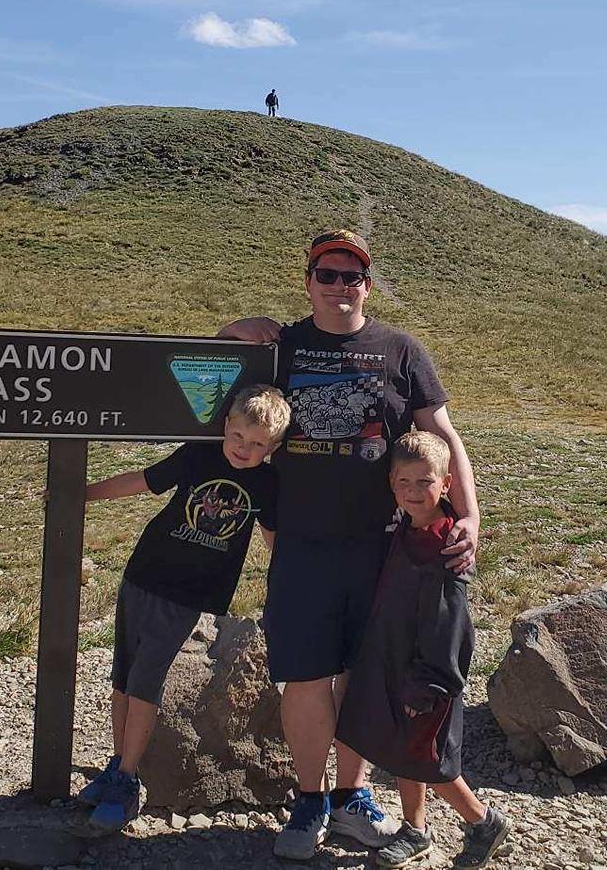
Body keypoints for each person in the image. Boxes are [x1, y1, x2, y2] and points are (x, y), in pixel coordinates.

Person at [219, 230, 483, 860]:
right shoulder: (281, 346)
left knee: (364, 677)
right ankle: (310, 804)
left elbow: (444, 436)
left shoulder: (401, 351)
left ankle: (351, 798)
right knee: (306, 679)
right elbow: (201, 373)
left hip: (383, 548)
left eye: (351, 276)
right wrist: (233, 328)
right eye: (326, 274)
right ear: (308, 281)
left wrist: (471, 517)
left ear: (367, 283)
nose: (340, 286)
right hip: (302, 546)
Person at [73, 384, 290, 836]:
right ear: (226, 426)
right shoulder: (198, 454)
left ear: (272, 448)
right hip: (144, 576)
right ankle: (117, 766)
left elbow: (274, 540)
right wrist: (81, 494)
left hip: (193, 598)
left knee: (149, 684)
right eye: (238, 437)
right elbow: (141, 481)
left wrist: (294, 585)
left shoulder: (267, 483)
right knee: (124, 680)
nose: (245, 450)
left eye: (257, 445)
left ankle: (129, 779)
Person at [337, 431, 511, 868]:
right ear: (392, 483)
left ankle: (482, 821)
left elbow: (449, 626)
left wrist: (429, 683)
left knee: (428, 760)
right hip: (395, 662)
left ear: (446, 483)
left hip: (428, 675)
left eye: (424, 483)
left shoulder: (445, 548)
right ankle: (415, 829)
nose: (414, 493)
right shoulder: (405, 529)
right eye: (404, 483)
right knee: (401, 749)